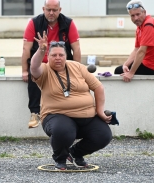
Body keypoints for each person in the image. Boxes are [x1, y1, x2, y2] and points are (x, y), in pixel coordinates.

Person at [30, 31, 112, 170]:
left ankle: (75, 154)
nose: (57, 58)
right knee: (64, 130)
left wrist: (100, 112)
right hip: (57, 115)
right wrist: (41, 49)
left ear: (66, 56)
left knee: (104, 135)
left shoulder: (77, 67)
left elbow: (98, 87)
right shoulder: (44, 70)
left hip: (86, 115)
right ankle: (60, 159)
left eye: (61, 55)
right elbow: (34, 67)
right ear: (48, 57)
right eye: (53, 55)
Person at [21, 0, 81, 128]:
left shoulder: (68, 23)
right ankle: (35, 113)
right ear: (43, 9)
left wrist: (77, 69)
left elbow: (76, 49)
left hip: (62, 63)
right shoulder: (34, 23)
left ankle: (68, 111)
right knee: (34, 74)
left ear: (60, 10)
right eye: (48, 10)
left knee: (70, 82)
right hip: (41, 63)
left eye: (54, 10)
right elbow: (26, 48)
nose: (51, 13)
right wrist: (24, 70)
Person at [114, 0, 154, 82]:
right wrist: (125, 64)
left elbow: (141, 52)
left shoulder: (148, 24)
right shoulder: (140, 27)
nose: (135, 18)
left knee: (118, 72)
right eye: (132, 16)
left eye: (138, 14)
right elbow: (136, 49)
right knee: (122, 69)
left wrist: (131, 72)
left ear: (144, 12)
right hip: (152, 65)